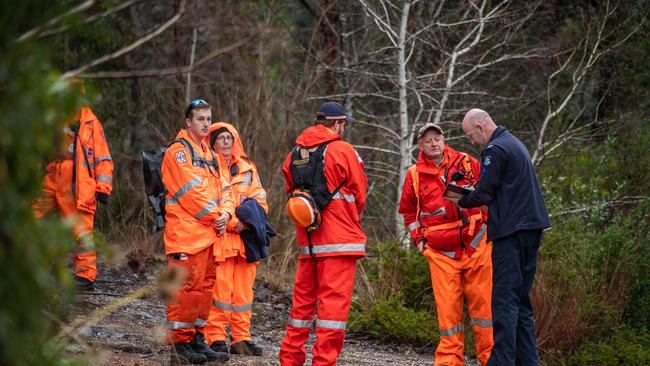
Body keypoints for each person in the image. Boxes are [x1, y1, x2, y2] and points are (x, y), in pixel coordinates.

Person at [456, 109, 551, 366]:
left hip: (511, 232)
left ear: (480, 126)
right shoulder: (514, 143)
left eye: (470, 135)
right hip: (532, 228)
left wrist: (460, 199)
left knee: (504, 300)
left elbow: (485, 191)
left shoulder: (494, 149)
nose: (472, 142)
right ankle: (528, 361)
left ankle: (502, 361)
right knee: (520, 301)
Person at [279, 102, 367, 366]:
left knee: (301, 307)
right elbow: (360, 192)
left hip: (308, 241)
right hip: (340, 242)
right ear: (338, 123)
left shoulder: (294, 154)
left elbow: (290, 193)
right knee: (332, 310)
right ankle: (323, 363)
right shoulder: (343, 150)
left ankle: (290, 359)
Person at [398, 123, 493, 366]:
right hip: (441, 255)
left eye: (437, 138)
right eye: (427, 140)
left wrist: (490, 227)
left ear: (444, 139)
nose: (433, 143)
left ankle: (492, 360)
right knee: (449, 318)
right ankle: (450, 362)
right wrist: (419, 241)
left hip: (476, 246)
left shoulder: (467, 162)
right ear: (420, 145)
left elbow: (490, 194)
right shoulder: (414, 175)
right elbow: (408, 213)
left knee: (485, 313)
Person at [162, 99, 232, 365]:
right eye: (200, 119)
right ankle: (179, 346)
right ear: (188, 122)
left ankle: (196, 339)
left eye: (208, 118)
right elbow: (191, 193)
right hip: (187, 236)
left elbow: (227, 189)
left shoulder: (212, 156)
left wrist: (227, 214)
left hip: (210, 237)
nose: (205, 123)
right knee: (186, 290)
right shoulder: (178, 153)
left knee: (204, 291)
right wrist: (218, 216)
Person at [33, 82, 113, 291]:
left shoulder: (90, 123)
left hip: (77, 182)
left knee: (81, 228)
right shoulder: (52, 118)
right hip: (51, 175)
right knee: (28, 216)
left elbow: (103, 158)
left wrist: (103, 187)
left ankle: (85, 275)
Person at [204, 122, 268, 356]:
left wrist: (247, 223)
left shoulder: (248, 169)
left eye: (229, 137)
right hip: (220, 238)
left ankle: (241, 339)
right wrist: (235, 223)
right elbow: (209, 205)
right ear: (212, 143)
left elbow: (261, 202)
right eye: (220, 138)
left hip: (245, 242)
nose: (226, 142)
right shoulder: (208, 168)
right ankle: (216, 338)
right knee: (218, 291)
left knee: (243, 294)